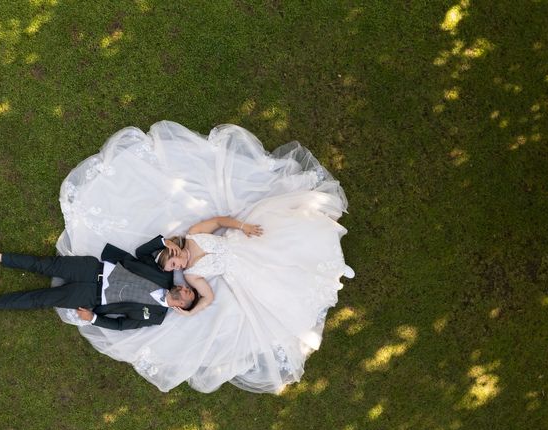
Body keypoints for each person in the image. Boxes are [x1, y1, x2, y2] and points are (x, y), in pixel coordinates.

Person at [55, 121, 353, 394]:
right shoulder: (193, 277)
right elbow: (207, 298)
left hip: (245, 243)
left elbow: (221, 220)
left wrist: (244, 226)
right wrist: (191, 311)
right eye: (175, 268)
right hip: (245, 271)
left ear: (175, 251)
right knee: (279, 283)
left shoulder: (196, 233)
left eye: (175, 261)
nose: (179, 266)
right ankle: (322, 273)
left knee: (286, 240)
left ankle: (323, 260)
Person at [0, 237, 197, 330]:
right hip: (93, 269)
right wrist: (162, 241)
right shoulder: (164, 276)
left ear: (182, 307)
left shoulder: (156, 317)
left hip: (90, 298)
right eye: (188, 288)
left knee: (43, 299)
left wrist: (95, 319)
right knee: (45, 265)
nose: (186, 289)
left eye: (189, 295)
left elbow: (121, 325)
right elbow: (141, 252)